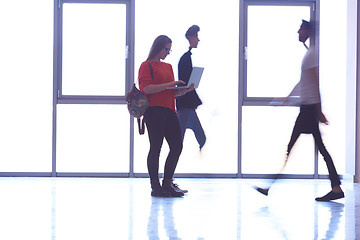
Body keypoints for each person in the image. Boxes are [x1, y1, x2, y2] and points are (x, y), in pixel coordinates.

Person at [256, 20, 344, 201]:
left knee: (298, 148)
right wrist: (287, 98)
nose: (298, 31)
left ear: (308, 31)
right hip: (308, 109)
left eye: (301, 29)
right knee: (317, 149)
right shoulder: (309, 53)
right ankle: (335, 188)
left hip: (309, 110)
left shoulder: (311, 54)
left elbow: (315, 82)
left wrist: (319, 111)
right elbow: (304, 81)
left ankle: (269, 186)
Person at [138, 35, 194, 197]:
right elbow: (147, 89)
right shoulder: (146, 65)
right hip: (153, 111)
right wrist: (170, 84)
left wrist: (183, 91)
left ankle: (167, 183)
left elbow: (170, 93)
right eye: (166, 49)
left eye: (170, 49)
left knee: (177, 146)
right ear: (158, 48)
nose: (168, 53)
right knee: (156, 147)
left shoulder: (168, 67)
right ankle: (155, 186)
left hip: (169, 110)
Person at [176, 25, 206, 151]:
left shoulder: (186, 58)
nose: (198, 40)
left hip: (185, 103)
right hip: (185, 103)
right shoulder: (185, 58)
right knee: (179, 140)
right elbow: (185, 83)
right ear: (190, 37)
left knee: (181, 139)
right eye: (196, 36)